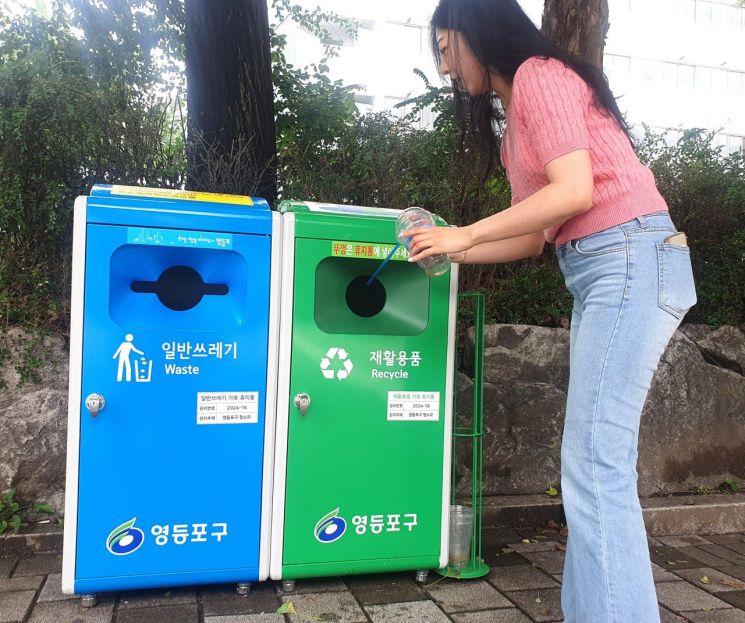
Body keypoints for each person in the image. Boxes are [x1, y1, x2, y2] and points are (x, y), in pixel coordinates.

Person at [403, 1, 697, 621]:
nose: (443, 65)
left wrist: (466, 233)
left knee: (596, 463)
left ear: (476, 31)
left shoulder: (541, 74)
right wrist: (453, 243)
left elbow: (576, 192)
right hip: (604, 267)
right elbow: (539, 234)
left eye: (445, 46)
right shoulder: (516, 124)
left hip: (630, 257)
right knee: (590, 464)